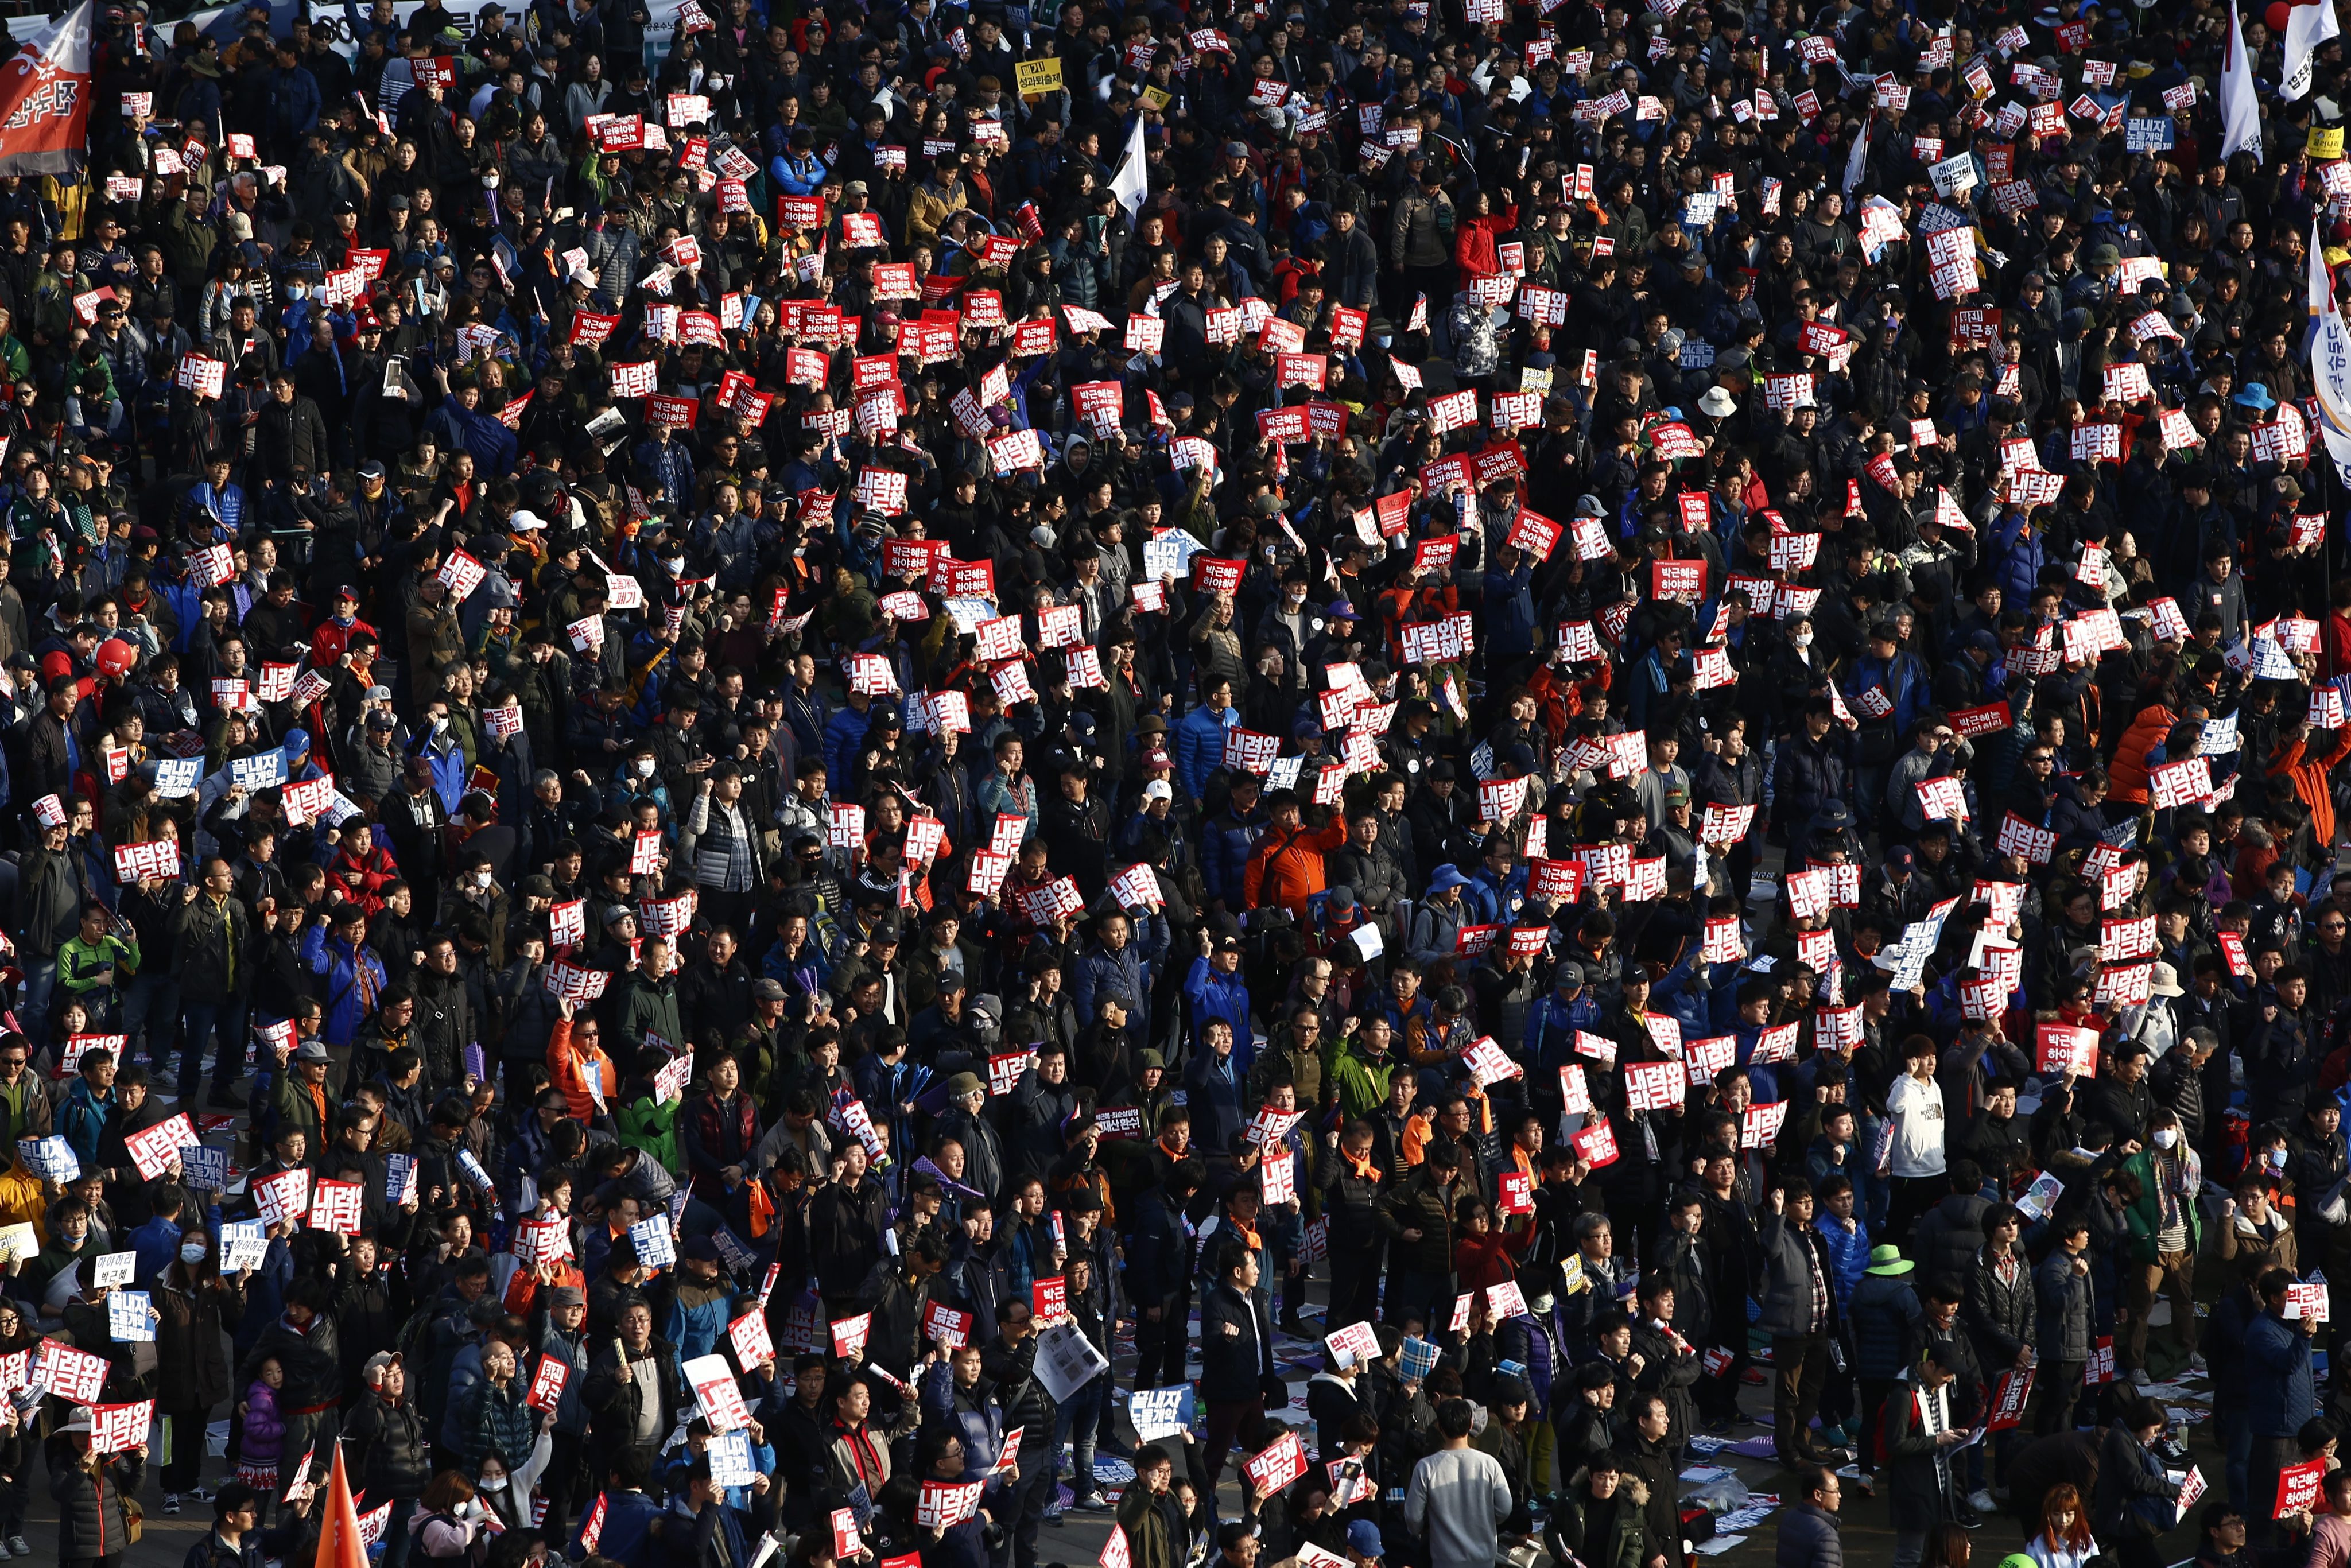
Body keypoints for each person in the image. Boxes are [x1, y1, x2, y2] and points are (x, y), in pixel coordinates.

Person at [1403, 1398, 1513, 1568]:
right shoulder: (1489, 1463)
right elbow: (1505, 1508)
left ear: (1440, 1428)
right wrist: (1489, 1519)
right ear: (1471, 1425)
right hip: (1484, 1559)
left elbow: (1413, 1517)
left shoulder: (1426, 1467)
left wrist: (1421, 1530)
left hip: (1445, 1560)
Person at [1778, 1465, 1844, 1568]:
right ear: (1818, 1495)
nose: (1839, 1496)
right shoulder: (1827, 1536)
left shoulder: (1789, 1518)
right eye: (1835, 1491)